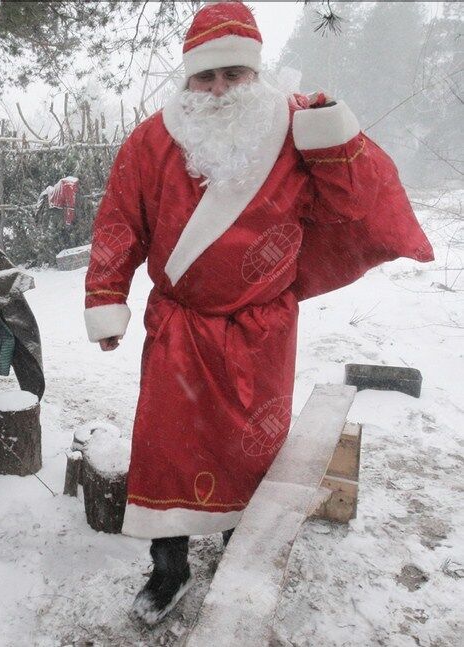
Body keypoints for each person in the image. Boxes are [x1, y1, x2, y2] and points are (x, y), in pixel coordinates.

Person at [83, 1, 434, 625]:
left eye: (233, 75)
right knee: (168, 450)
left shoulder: (298, 127)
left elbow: (353, 201)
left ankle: (233, 548)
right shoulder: (150, 142)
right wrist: (107, 296)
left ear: (256, 74)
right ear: (186, 79)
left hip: (261, 331)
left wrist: (335, 135)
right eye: (205, 77)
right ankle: (169, 571)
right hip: (180, 330)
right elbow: (118, 221)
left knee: (250, 452)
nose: (218, 90)